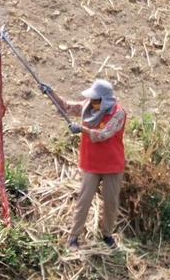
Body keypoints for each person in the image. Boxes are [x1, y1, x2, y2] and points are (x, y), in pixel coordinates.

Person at [40, 79, 127, 251]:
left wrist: (82, 129)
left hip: (112, 166)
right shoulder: (88, 107)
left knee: (110, 203)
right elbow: (66, 107)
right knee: (84, 201)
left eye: (96, 100)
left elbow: (104, 134)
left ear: (106, 100)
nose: (93, 102)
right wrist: (51, 93)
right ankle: (73, 238)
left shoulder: (118, 113)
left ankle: (107, 235)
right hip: (91, 164)